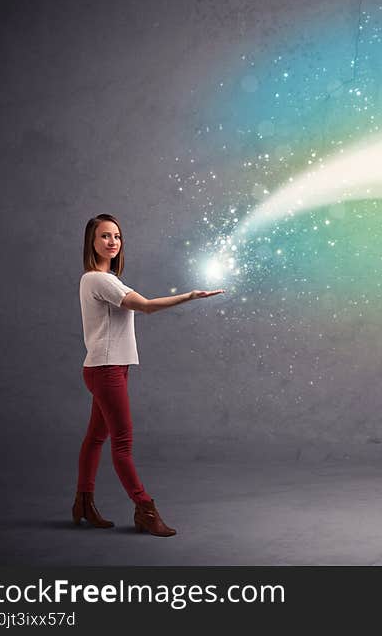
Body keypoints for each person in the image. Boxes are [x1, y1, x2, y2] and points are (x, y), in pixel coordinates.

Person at [73, 213, 223, 537]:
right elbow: (147, 307)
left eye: (116, 236)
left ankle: (83, 504)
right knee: (122, 444)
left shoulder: (99, 279)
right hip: (107, 370)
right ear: (92, 242)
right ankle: (144, 508)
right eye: (104, 236)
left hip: (107, 367)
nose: (112, 241)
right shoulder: (100, 280)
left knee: (97, 438)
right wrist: (190, 296)